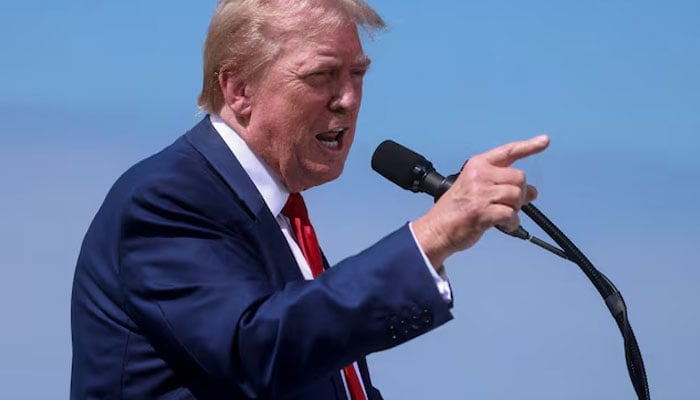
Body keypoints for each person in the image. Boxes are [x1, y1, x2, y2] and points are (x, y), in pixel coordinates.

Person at [70, 0, 550, 399]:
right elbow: (256, 350)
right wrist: (433, 236)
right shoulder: (169, 197)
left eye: (358, 73)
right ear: (239, 90)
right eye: (322, 76)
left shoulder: (276, 214)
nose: (348, 98)